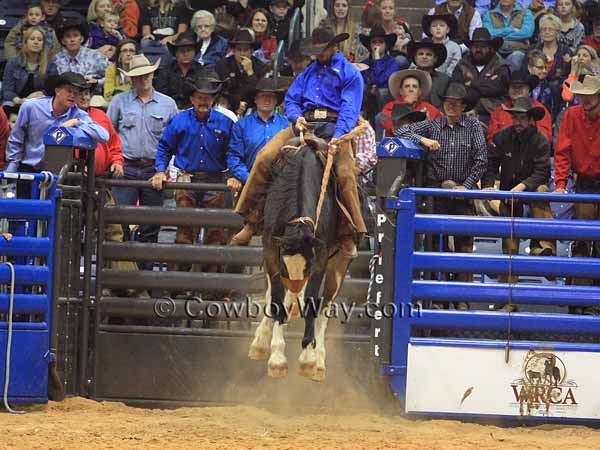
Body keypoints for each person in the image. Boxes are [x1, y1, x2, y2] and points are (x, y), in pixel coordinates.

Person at [233, 26, 367, 266]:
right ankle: (251, 219)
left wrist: (338, 137)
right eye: (315, 51)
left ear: (333, 46)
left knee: (346, 173)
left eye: (322, 50)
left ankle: (351, 230)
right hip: (304, 124)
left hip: (335, 126)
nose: (318, 55)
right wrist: (296, 117)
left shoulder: (349, 73)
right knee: (265, 156)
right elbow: (292, 99)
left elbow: (349, 108)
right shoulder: (307, 73)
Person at [396, 83, 487, 310]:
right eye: (448, 102)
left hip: (463, 195)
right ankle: (439, 296)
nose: (451, 105)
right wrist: (423, 140)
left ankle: (461, 296)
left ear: (464, 106)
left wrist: (465, 186)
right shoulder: (434, 125)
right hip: (438, 192)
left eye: (456, 102)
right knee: (439, 246)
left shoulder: (473, 126)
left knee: (465, 246)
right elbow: (400, 131)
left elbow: (481, 160)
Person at [482, 97, 554, 296]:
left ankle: (542, 243)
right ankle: (508, 296)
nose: (518, 122)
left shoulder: (540, 140)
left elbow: (543, 172)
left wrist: (523, 186)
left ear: (531, 119)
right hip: (508, 192)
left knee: (541, 191)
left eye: (522, 118)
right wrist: (489, 186)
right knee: (510, 248)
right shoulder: (502, 136)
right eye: (515, 118)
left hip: (529, 190)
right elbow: (490, 164)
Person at [107, 55, 178, 256]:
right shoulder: (119, 102)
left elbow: (174, 139)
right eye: (138, 76)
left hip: (154, 169)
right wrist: (115, 160)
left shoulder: (168, 104)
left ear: (152, 74)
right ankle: (123, 276)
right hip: (126, 167)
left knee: (150, 226)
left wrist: (165, 170)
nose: (143, 79)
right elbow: (110, 135)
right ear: (132, 79)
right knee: (120, 223)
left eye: (146, 75)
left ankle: (145, 276)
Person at [6, 72, 109, 182]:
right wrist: (12, 168)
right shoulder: (31, 107)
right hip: (28, 170)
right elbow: (16, 138)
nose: (73, 96)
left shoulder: (79, 115)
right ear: (57, 91)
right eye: (69, 91)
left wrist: (77, 122)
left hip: (58, 175)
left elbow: (104, 136)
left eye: (77, 93)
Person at [554, 75, 600, 315]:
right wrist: (561, 183)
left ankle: (593, 300)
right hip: (585, 183)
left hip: (590, 182)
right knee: (581, 239)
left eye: (591, 93)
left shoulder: (572, 115)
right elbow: (562, 152)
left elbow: (563, 152)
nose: (586, 98)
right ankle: (581, 297)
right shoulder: (572, 116)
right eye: (583, 94)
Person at [227, 78, 289, 191]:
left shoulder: (287, 126)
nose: (267, 99)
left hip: (280, 187)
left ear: (276, 100)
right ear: (255, 99)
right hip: (249, 186)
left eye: (271, 96)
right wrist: (249, 178)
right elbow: (234, 157)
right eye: (263, 95)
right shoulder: (241, 125)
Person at [452, 27, 510, 124]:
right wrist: (484, 86)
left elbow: (497, 87)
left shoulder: (500, 65)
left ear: (490, 48)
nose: (478, 49)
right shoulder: (461, 65)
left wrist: (471, 85)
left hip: (492, 114)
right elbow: (456, 89)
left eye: (482, 46)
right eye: (475, 46)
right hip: (465, 113)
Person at [487, 70, 552, 143]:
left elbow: (545, 138)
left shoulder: (539, 109)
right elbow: (492, 139)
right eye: (513, 87)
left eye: (520, 87)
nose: (517, 90)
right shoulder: (499, 111)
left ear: (529, 89)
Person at [215, 28, 267, 117]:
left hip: (253, 109)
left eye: (246, 50)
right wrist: (236, 104)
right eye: (239, 50)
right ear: (233, 51)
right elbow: (221, 89)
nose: (242, 53)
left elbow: (260, 92)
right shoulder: (223, 65)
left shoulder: (260, 66)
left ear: (251, 51)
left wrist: (250, 72)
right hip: (228, 107)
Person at [379, 69, 442, 137]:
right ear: (401, 91)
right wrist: (406, 104)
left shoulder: (431, 109)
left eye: (414, 86)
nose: (411, 89)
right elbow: (396, 130)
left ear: (419, 92)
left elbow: (440, 129)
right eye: (407, 86)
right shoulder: (389, 107)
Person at [2, 27, 57, 105]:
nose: (36, 42)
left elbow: (52, 88)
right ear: (25, 42)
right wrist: (18, 100)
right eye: (32, 39)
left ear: (43, 44)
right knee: (7, 105)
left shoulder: (50, 65)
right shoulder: (13, 63)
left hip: (40, 102)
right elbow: (7, 90)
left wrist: (40, 94)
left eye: (39, 40)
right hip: (15, 101)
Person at [52, 19, 110, 89]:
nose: (72, 39)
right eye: (68, 36)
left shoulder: (95, 56)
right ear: (63, 41)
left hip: (92, 96)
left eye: (75, 35)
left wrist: (98, 82)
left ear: (82, 39)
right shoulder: (57, 60)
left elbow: (115, 74)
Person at [153, 33, 205, 110]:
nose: (186, 54)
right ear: (176, 53)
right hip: (169, 111)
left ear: (194, 52)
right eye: (182, 51)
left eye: (189, 50)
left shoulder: (201, 71)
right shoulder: (166, 71)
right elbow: (160, 96)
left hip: (194, 112)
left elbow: (202, 95)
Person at [482, 0, 534, 71]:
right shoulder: (488, 15)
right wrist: (511, 29)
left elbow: (527, 33)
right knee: (490, 57)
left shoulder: (526, 13)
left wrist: (500, 36)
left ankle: (513, 81)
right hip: (496, 50)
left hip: (518, 50)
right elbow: (488, 34)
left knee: (516, 57)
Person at [406, 39, 450, 109]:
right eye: (420, 54)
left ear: (435, 59)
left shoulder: (445, 80)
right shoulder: (406, 78)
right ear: (415, 58)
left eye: (428, 54)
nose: (424, 57)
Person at [532, 14, 573, 83]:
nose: (547, 32)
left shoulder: (566, 51)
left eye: (550, 29)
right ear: (540, 32)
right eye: (544, 29)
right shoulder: (533, 50)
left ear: (557, 32)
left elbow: (569, 75)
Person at [527, 49, 562, 119]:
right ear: (530, 68)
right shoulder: (522, 87)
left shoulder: (553, 88)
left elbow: (554, 113)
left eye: (545, 68)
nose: (544, 71)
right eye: (540, 68)